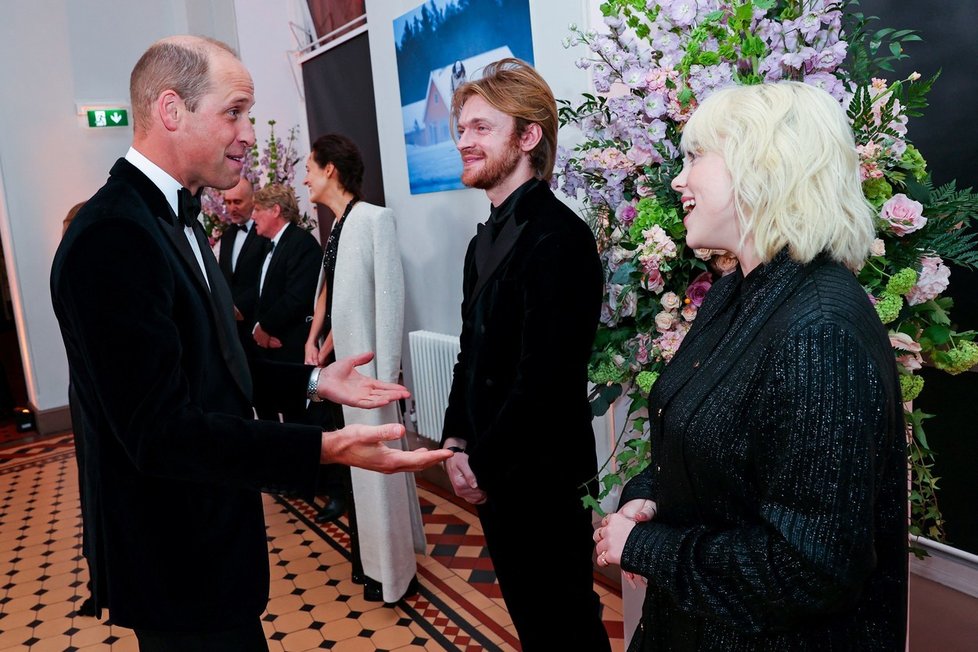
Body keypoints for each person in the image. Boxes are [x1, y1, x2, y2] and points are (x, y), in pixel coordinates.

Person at [49, 35, 451, 651]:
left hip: (212, 542)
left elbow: (215, 365)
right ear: (171, 110)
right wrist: (325, 447)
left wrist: (314, 380)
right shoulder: (112, 237)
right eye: (233, 112)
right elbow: (161, 433)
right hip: (174, 557)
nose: (247, 134)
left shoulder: (173, 215)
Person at [592, 81, 908, 650]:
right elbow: (701, 442)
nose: (678, 180)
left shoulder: (821, 328)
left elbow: (808, 571)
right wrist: (648, 495)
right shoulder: (736, 291)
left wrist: (645, 548)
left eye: (695, 158)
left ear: (764, 165)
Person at [441, 58, 611, 651]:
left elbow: (546, 381)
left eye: (481, 128)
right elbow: (472, 352)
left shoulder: (559, 237)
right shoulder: (480, 242)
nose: (464, 140)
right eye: (461, 129)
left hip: (542, 475)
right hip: (494, 469)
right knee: (534, 624)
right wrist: (456, 442)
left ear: (528, 136)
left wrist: (479, 466)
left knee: (565, 625)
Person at [303, 133, 425, 603]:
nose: (306, 178)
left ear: (330, 168)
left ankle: (392, 577)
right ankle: (376, 564)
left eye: (310, 168)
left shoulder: (375, 219)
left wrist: (385, 378)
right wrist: (322, 344)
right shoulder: (337, 226)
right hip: (345, 375)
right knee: (365, 477)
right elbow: (342, 304)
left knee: (379, 478)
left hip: (369, 378)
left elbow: (389, 304)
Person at [250, 182, 321, 421]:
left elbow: (297, 298)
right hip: (270, 347)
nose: (253, 216)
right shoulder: (269, 244)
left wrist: (264, 328)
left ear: (275, 210)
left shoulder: (302, 243)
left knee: (297, 418)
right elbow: (261, 293)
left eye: (257, 209)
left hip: (291, 346)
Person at [217, 176, 270, 345]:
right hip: (232, 329)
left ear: (252, 201)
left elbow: (268, 277)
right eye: (228, 202)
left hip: (260, 323)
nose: (231, 208)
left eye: (237, 202)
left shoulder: (266, 234)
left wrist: (240, 308)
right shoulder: (226, 237)